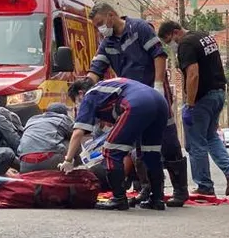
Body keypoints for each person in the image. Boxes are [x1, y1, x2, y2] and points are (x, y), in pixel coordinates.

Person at [86, 3, 190, 208]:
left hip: (154, 92)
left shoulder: (139, 28)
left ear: (111, 15)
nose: (100, 28)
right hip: (132, 100)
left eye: (100, 23)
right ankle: (148, 188)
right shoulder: (106, 42)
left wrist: (158, 84)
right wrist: (86, 86)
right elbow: (96, 68)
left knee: (167, 139)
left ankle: (179, 189)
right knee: (139, 146)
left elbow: (159, 55)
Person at [158, 21, 229, 197]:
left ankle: (204, 186)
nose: (170, 46)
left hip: (201, 99)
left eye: (169, 41)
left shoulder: (186, 44)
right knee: (211, 137)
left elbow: (193, 74)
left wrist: (190, 103)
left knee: (196, 144)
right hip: (218, 94)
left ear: (175, 32)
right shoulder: (204, 36)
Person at [59, 77, 167, 211]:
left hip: (137, 103)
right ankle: (157, 199)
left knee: (111, 150)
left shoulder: (89, 95)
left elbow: (78, 133)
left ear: (80, 93)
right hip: (160, 101)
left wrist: (68, 160)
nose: (78, 106)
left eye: (76, 102)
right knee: (150, 152)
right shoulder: (107, 89)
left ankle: (119, 199)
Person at [17, 103, 74, 173]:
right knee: (74, 142)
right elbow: (76, 136)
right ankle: (79, 172)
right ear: (64, 113)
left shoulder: (32, 119)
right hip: (49, 160)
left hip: (24, 163)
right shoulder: (62, 118)